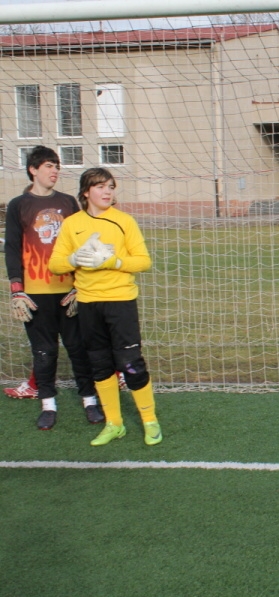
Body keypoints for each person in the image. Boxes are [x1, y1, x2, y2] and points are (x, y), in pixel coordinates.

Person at [48, 167, 162, 446]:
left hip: (120, 302)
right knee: (99, 365)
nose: (108, 192)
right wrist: (75, 257)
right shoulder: (72, 224)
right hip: (88, 304)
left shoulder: (124, 221)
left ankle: (150, 421)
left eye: (111, 186)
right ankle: (114, 424)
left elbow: (143, 261)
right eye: (100, 187)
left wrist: (114, 262)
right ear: (86, 192)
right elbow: (55, 264)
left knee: (131, 364)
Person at [4, 146, 102, 429]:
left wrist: (80, 285)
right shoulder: (18, 205)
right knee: (44, 351)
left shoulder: (68, 202)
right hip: (35, 293)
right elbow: (12, 249)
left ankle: (89, 400)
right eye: (49, 165)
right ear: (33, 169)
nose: (55, 171)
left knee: (77, 347)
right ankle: (48, 403)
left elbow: (80, 244)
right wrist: (17, 289)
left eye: (57, 165)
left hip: (68, 292)